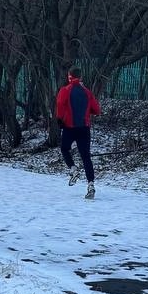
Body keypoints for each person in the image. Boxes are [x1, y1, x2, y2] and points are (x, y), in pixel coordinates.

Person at [55, 67, 101, 199]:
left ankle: (73, 169)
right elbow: (97, 110)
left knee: (64, 149)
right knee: (86, 157)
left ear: (69, 76)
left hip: (69, 127)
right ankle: (91, 185)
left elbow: (60, 104)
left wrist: (60, 120)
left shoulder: (65, 90)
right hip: (84, 128)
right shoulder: (87, 92)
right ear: (81, 77)